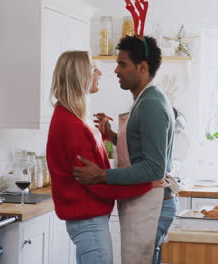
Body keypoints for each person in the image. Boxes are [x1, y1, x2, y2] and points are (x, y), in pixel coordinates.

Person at [73, 36, 177, 264]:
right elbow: (142, 146)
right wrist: (112, 136)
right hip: (147, 199)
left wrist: (102, 175)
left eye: (122, 64)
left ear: (142, 68)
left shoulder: (151, 104)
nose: (116, 71)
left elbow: (154, 167)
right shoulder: (145, 99)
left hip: (154, 202)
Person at [46, 50, 157, 264]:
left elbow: (96, 171)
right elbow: (97, 182)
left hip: (88, 220)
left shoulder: (70, 117)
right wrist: (148, 184)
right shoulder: (70, 124)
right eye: (93, 68)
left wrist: (104, 137)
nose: (99, 72)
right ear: (80, 76)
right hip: (88, 222)